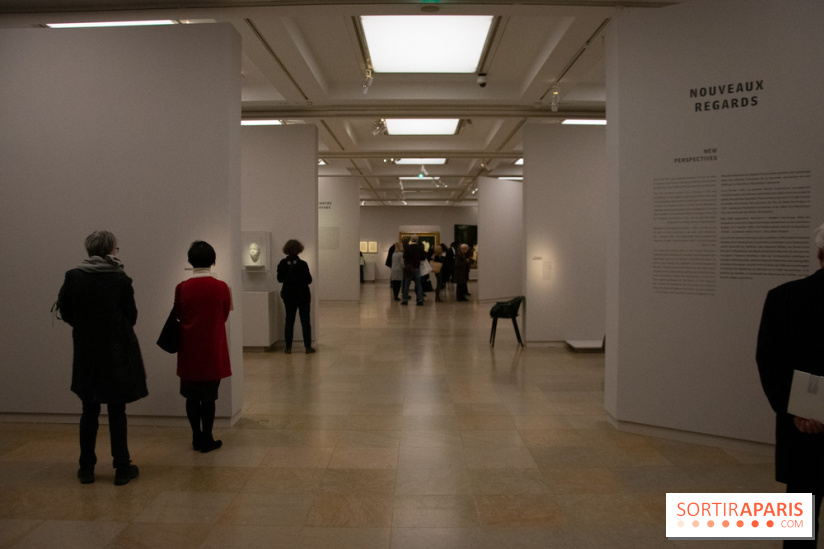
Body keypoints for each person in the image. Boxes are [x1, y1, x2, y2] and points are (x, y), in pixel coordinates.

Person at [57, 230, 147, 485]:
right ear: (110, 250)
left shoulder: (73, 277)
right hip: (116, 351)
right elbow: (131, 315)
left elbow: (65, 311)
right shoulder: (119, 278)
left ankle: (86, 468)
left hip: (87, 352)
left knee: (89, 410)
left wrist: (85, 329)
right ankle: (121, 467)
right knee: (117, 410)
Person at [756, 222, 824, 548]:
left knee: (800, 522)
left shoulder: (783, 298)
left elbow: (770, 363)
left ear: (819, 253)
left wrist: (799, 412)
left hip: (801, 431)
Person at [175, 241, 232, 453]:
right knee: (209, 398)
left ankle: (196, 436)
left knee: (191, 397)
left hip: (189, 349)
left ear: (190, 261)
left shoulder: (182, 287)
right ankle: (207, 437)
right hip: (212, 349)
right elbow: (224, 315)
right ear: (213, 260)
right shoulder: (221, 287)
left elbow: (179, 316)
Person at [277, 239, 316, 354]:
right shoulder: (303, 264)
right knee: (305, 321)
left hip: (289, 295)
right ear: (299, 250)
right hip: (303, 295)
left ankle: (288, 348)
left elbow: (280, 279)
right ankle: (308, 347)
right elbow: (309, 280)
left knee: (289, 320)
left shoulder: (282, 263)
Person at [402, 234, 427, 306]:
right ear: (417, 240)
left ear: (411, 239)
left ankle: (405, 300)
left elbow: (404, 257)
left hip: (409, 268)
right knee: (418, 284)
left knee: (407, 283)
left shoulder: (407, 248)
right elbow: (423, 258)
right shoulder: (419, 248)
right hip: (416, 267)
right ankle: (420, 300)